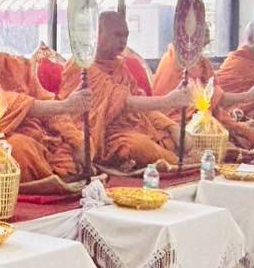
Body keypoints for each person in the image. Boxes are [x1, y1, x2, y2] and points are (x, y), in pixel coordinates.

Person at [0, 6, 91, 189]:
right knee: (18, 149)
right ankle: (47, 184)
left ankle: (53, 180)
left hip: (35, 135)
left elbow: (46, 101)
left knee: (79, 143)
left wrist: (75, 140)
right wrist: (64, 106)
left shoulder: (16, 65)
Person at [58, 11, 188, 170]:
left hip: (132, 128)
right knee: (137, 146)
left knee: (173, 138)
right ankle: (178, 162)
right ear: (97, 34)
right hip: (101, 134)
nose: (123, 41)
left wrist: (171, 126)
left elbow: (140, 106)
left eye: (126, 35)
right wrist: (167, 101)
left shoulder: (120, 67)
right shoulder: (82, 66)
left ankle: (136, 162)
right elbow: (124, 103)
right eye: (117, 35)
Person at [151, 38, 254, 149]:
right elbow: (206, 98)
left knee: (251, 134)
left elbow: (213, 96)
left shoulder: (202, 62)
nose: (207, 38)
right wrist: (249, 96)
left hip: (206, 116)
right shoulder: (174, 61)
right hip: (177, 120)